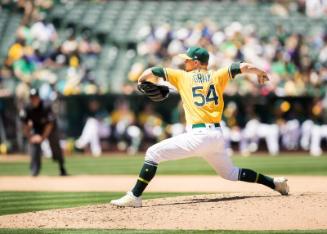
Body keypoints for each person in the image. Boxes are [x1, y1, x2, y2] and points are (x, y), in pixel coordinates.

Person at [110, 46, 289, 207]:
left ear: (196, 62)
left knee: (152, 153)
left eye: (187, 60)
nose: (184, 62)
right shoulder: (217, 75)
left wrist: (141, 82)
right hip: (217, 135)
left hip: (199, 135)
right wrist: (260, 72)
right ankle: (274, 183)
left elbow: (152, 71)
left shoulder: (182, 76)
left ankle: (134, 196)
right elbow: (241, 67)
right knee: (230, 173)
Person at [19, 88, 68, 176]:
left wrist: (42, 138)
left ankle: (61, 167)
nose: (34, 99)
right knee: (34, 144)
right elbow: (24, 125)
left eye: (35, 97)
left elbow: (50, 125)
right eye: (32, 97)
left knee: (55, 145)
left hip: (50, 129)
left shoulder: (46, 106)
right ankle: (34, 170)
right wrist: (30, 137)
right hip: (37, 128)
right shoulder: (27, 108)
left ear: (39, 98)